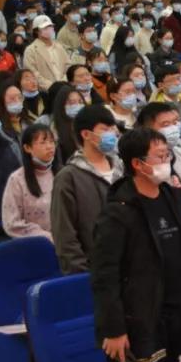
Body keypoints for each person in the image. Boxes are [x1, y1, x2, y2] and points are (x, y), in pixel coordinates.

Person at [92, 128, 181, 362]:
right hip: (139, 325)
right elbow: (104, 276)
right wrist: (114, 328)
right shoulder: (118, 211)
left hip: (178, 319)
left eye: (168, 155)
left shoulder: (173, 196)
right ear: (138, 164)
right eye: (160, 156)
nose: (167, 162)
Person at [51, 104, 124, 274]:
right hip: (95, 270)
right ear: (86, 134)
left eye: (112, 128)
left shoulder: (122, 168)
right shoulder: (68, 177)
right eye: (105, 129)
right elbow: (65, 235)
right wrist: (81, 272)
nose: (112, 134)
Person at [137, 102, 181, 214]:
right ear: (147, 129)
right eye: (166, 125)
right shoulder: (143, 163)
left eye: (176, 122)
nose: (173, 128)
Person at [23, 15, 70, 92]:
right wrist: (52, 87)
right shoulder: (30, 50)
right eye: (45, 28)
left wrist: (64, 82)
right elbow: (32, 73)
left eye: (50, 26)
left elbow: (68, 66)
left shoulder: (59, 46)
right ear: (36, 31)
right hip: (45, 91)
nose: (49, 29)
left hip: (65, 88)